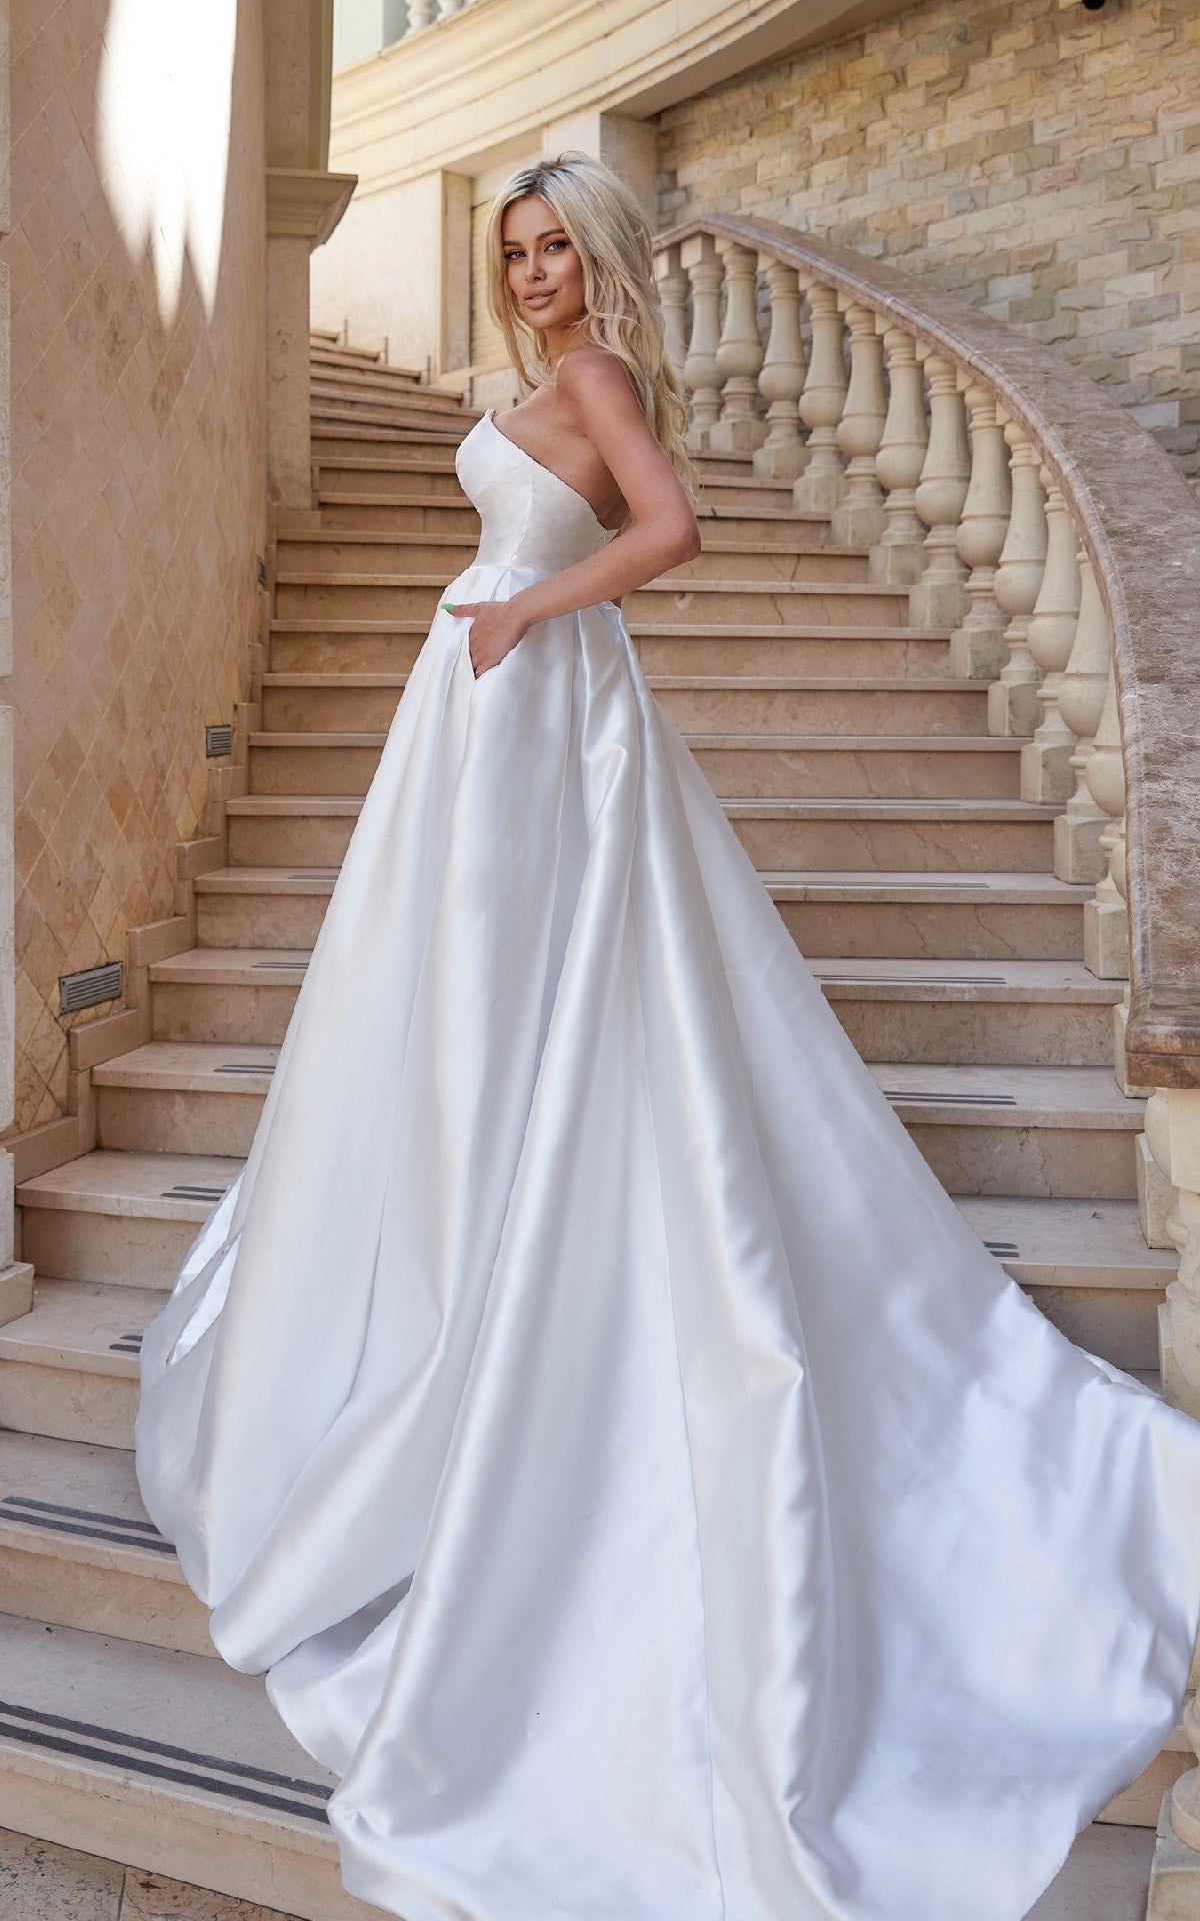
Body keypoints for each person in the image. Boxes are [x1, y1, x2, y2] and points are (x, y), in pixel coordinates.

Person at [136, 151, 1200, 1921]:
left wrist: (528, 614)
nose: (537, 272)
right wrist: (495, 620)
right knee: (449, 1007)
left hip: (540, 705)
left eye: (560, 249)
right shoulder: (526, 386)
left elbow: (672, 529)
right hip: (477, 715)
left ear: (601, 261)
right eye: (517, 249)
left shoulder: (601, 383)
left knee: (547, 996)